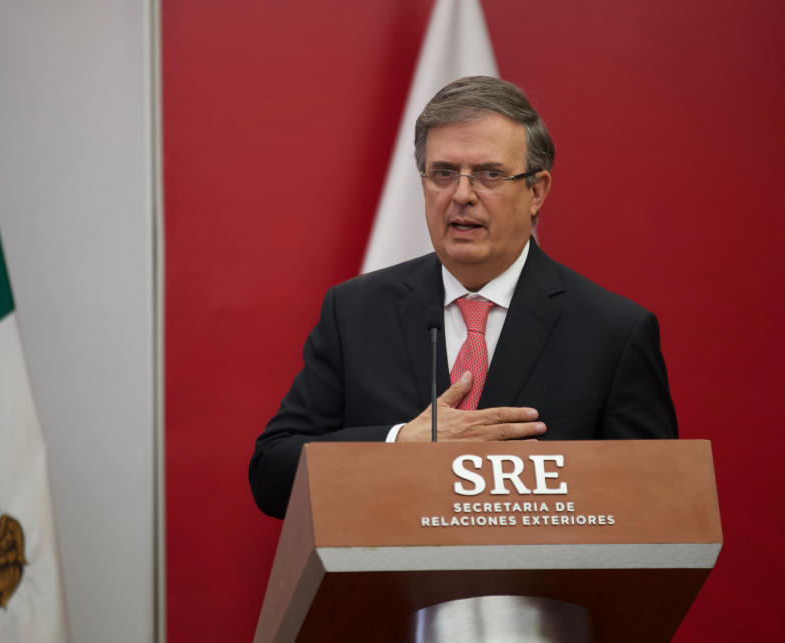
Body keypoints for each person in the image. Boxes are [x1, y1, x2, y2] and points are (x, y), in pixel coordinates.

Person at [249, 76, 677, 519]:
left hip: (532, 588)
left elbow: (656, 504)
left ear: (536, 190)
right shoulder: (355, 313)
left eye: (490, 174)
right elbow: (272, 473)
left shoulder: (611, 331)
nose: (462, 195)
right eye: (444, 173)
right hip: (391, 585)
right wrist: (398, 444)